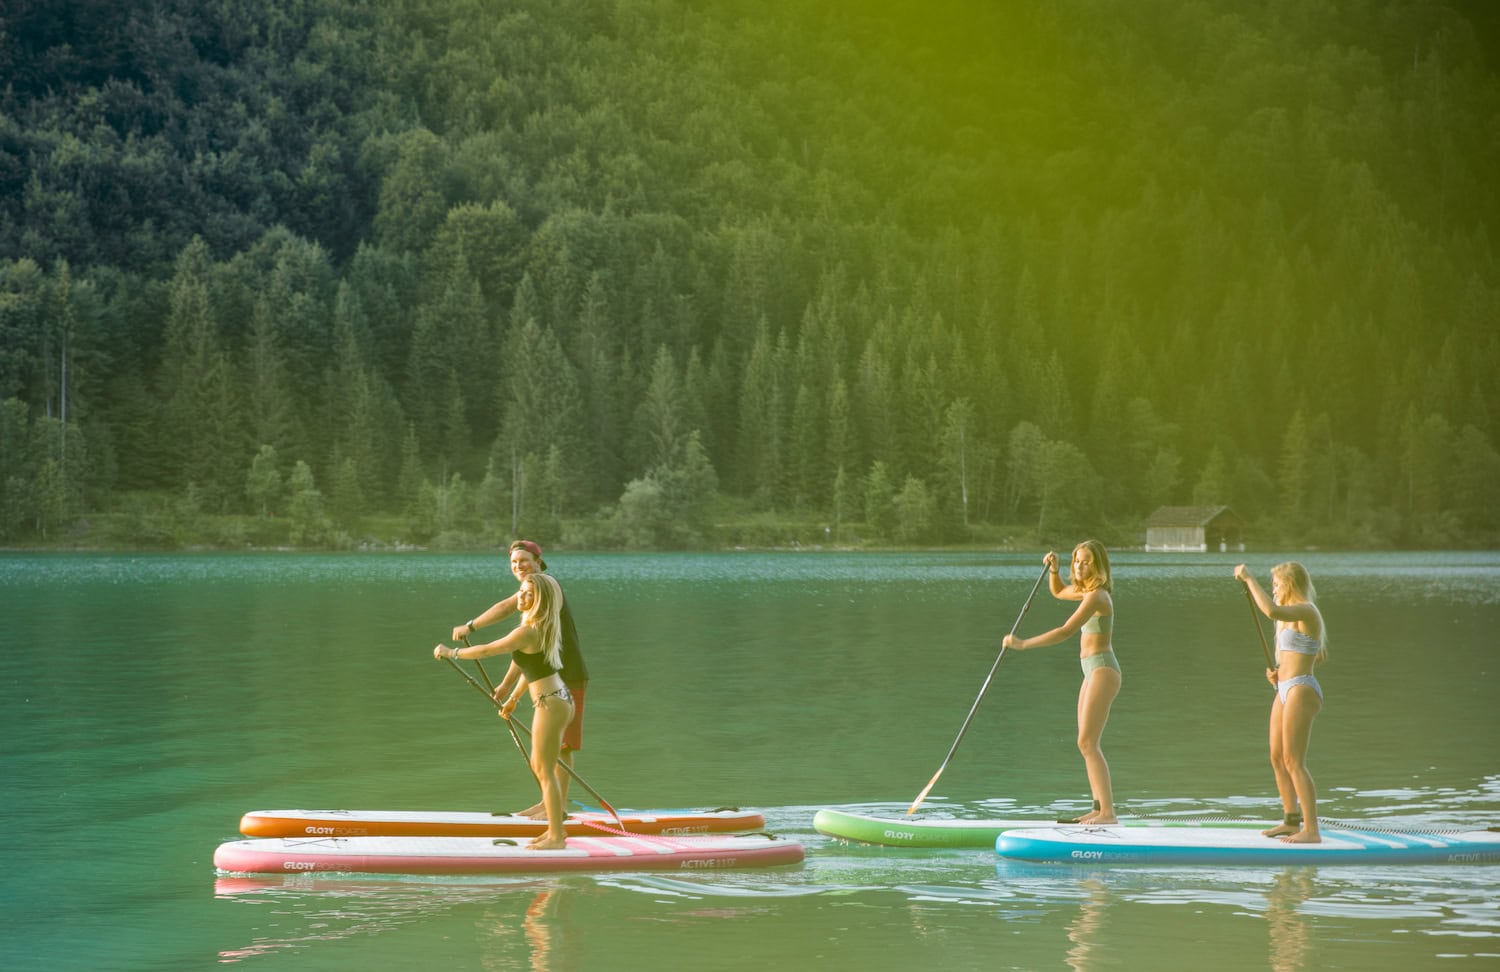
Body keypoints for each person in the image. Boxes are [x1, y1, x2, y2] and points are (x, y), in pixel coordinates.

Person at [451, 540, 589, 818]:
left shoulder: (546, 586)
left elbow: (505, 608)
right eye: (513, 563)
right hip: (544, 679)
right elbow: (524, 651)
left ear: (539, 561)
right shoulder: (530, 596)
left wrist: (471, 626)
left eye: (523, 560)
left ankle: (559, 809)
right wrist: (506, 688)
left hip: (567, 676)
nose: (518, 567)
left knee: (561, 746)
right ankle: (547, 803)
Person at [435, 572, 574, 850]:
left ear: (541, 601)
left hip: (551, 702)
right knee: (543, 766)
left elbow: (488, 650)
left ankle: (557, 837)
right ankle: (553, 832)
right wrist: (513, 699)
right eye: (521, 591)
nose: (521, 597)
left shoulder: (527, 631)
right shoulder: (539, 627)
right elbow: (530, 668)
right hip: (556, 699)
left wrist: (452, 653)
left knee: (543, 769)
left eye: (529, 594)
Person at [1002, 540, 1121, 825]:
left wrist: (1022, 644)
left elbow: (1064, 631)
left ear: (1098, 565)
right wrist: (1054, 570)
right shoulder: (1085, 592)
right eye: (1077, 561)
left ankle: (1108, 813)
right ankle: (1098, 808)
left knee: (1088, 742)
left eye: (1086, 561)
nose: (1079, 566)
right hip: (1091, 671)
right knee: (1085, 744)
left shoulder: (1098, 596)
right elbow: (1057, 591)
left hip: (1103, 670)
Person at [1235, 561, 1327, 843]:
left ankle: (1311, 830)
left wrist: (1249, 580)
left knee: (1294, 761)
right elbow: (1316, 655)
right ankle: (1290, 820)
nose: (1273, 589)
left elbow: (1270, 610)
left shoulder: (1306, 609)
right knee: (1277, 757)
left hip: (1301, 689)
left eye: (1276, 584)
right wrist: (1280, 671)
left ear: (1290, 584)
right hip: (1284, 688)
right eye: (1271, 585)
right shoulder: (1290, 617)